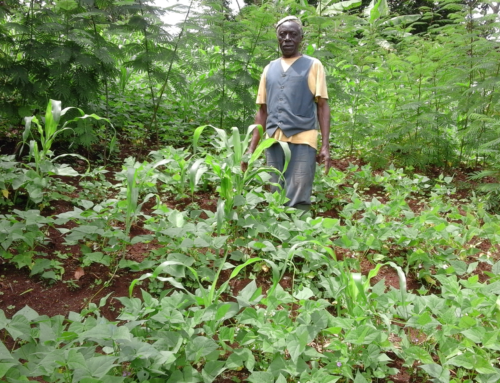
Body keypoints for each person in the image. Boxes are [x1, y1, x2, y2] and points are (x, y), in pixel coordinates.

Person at [244, 15, 330, 211]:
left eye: (293, 34)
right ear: (278, 38)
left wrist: (325, 145)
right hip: (273, 138)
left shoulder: (313, 65)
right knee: (274, 186)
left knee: (299, 187)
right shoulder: (269, 69)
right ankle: (276, 230)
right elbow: (262, 110)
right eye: (283, 35)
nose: (287, 39)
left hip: (303, 136)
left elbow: (323, 106)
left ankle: (299, 231)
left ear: (301, 38)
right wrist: (252, 148)